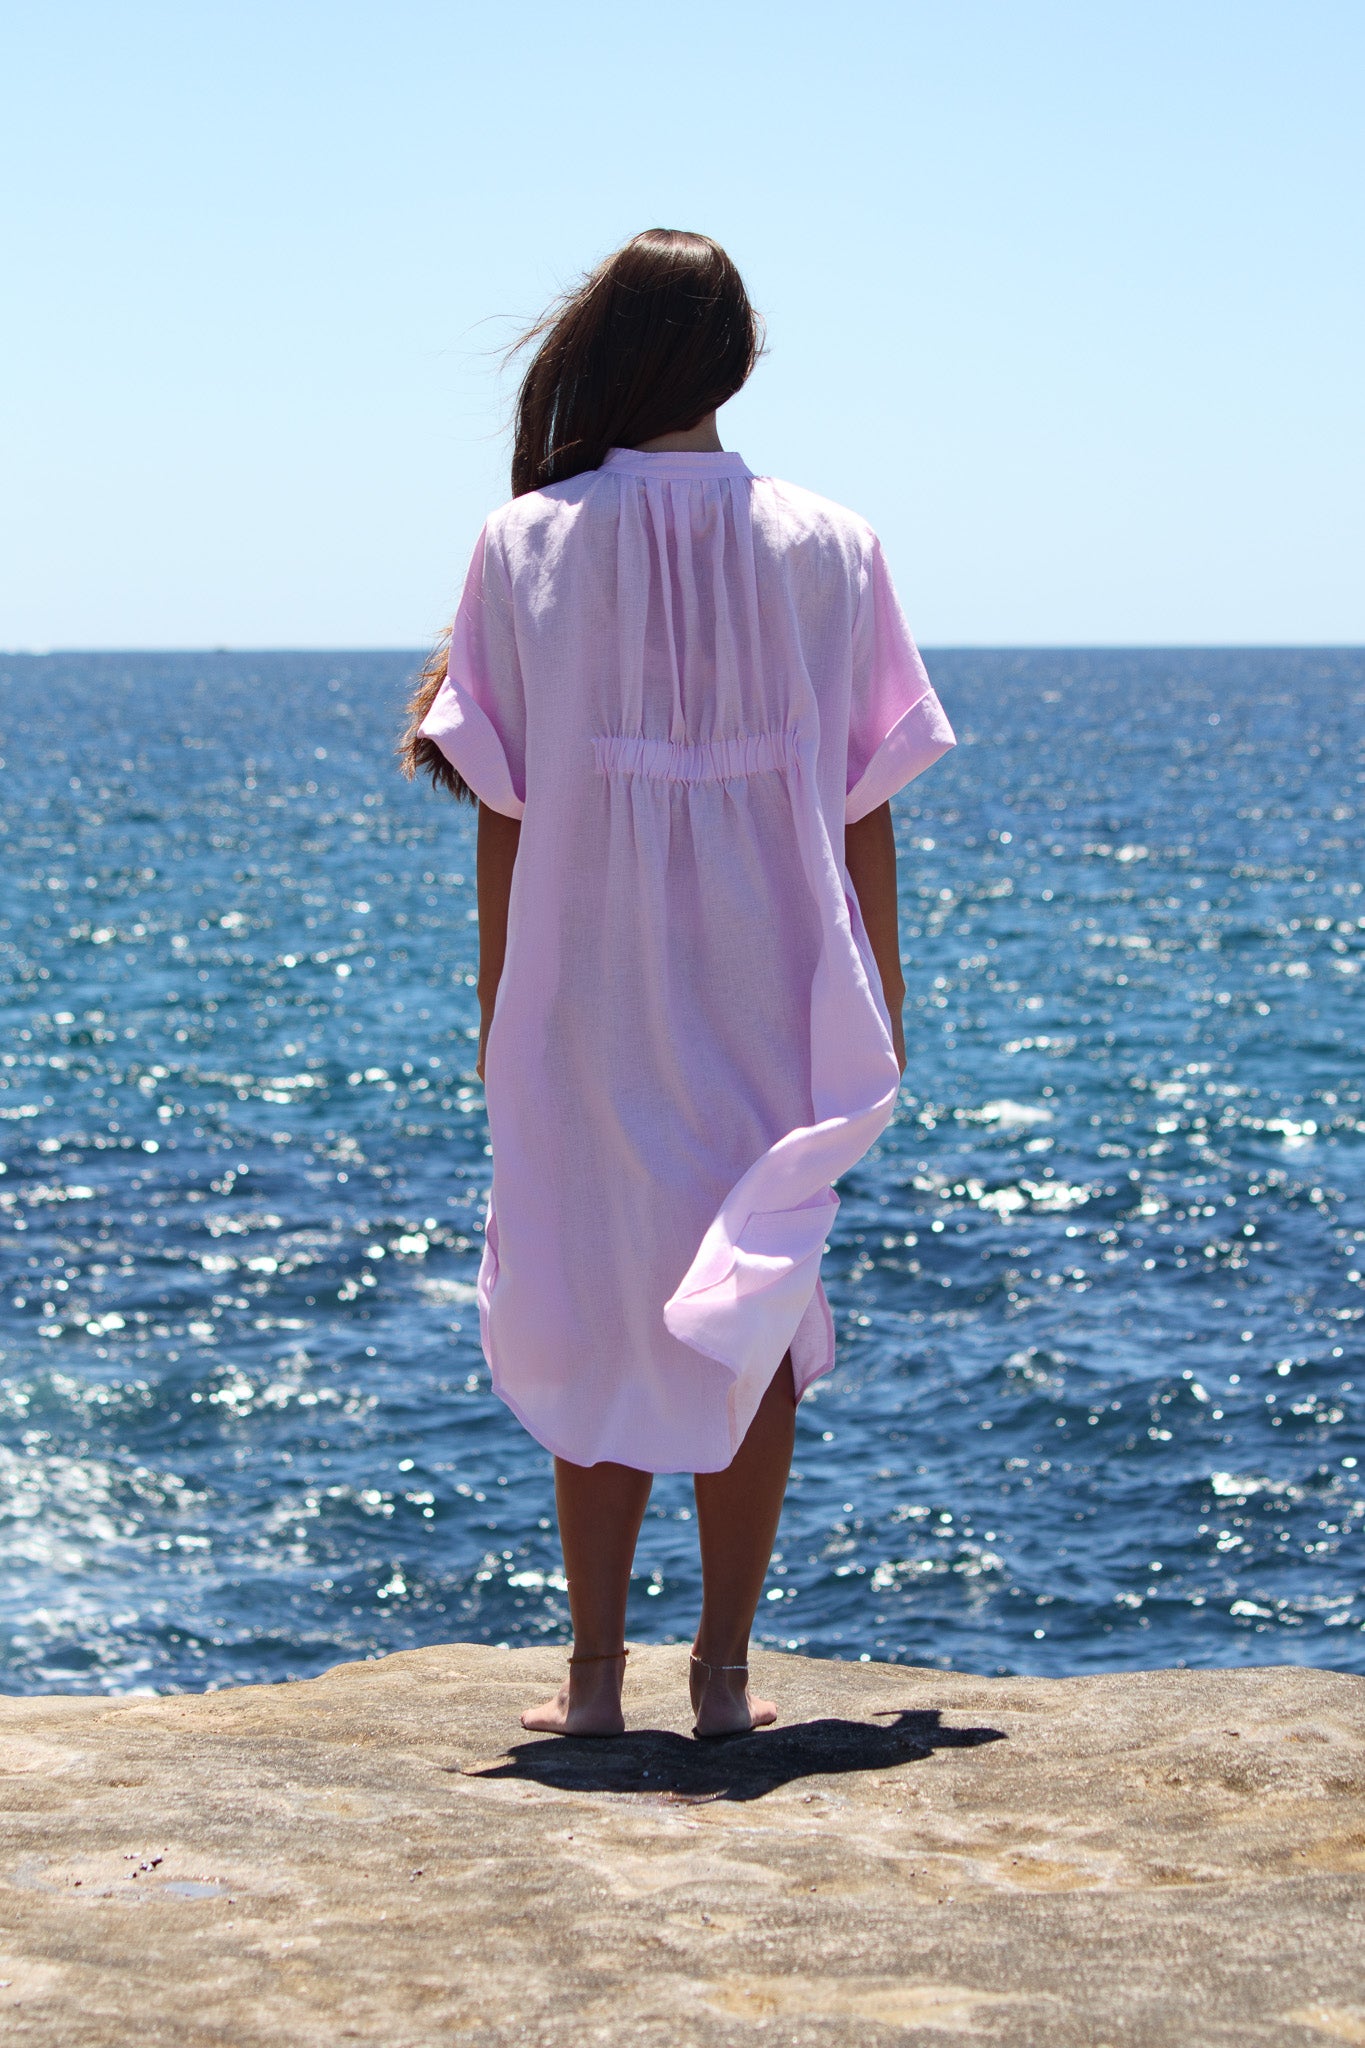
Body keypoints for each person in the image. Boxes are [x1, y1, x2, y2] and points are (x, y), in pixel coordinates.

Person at [401, 229, 955, 1739]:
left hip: (579, 991)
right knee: (752, 1305)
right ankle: (720, 1678)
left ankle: (593, 1678)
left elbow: (503, 811)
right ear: (736, 358)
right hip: (781, 981)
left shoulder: (524, 542)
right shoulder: (834, 544)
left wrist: (499, 1008)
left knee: (592, 1294)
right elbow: (869, 806)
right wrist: (884, 997)